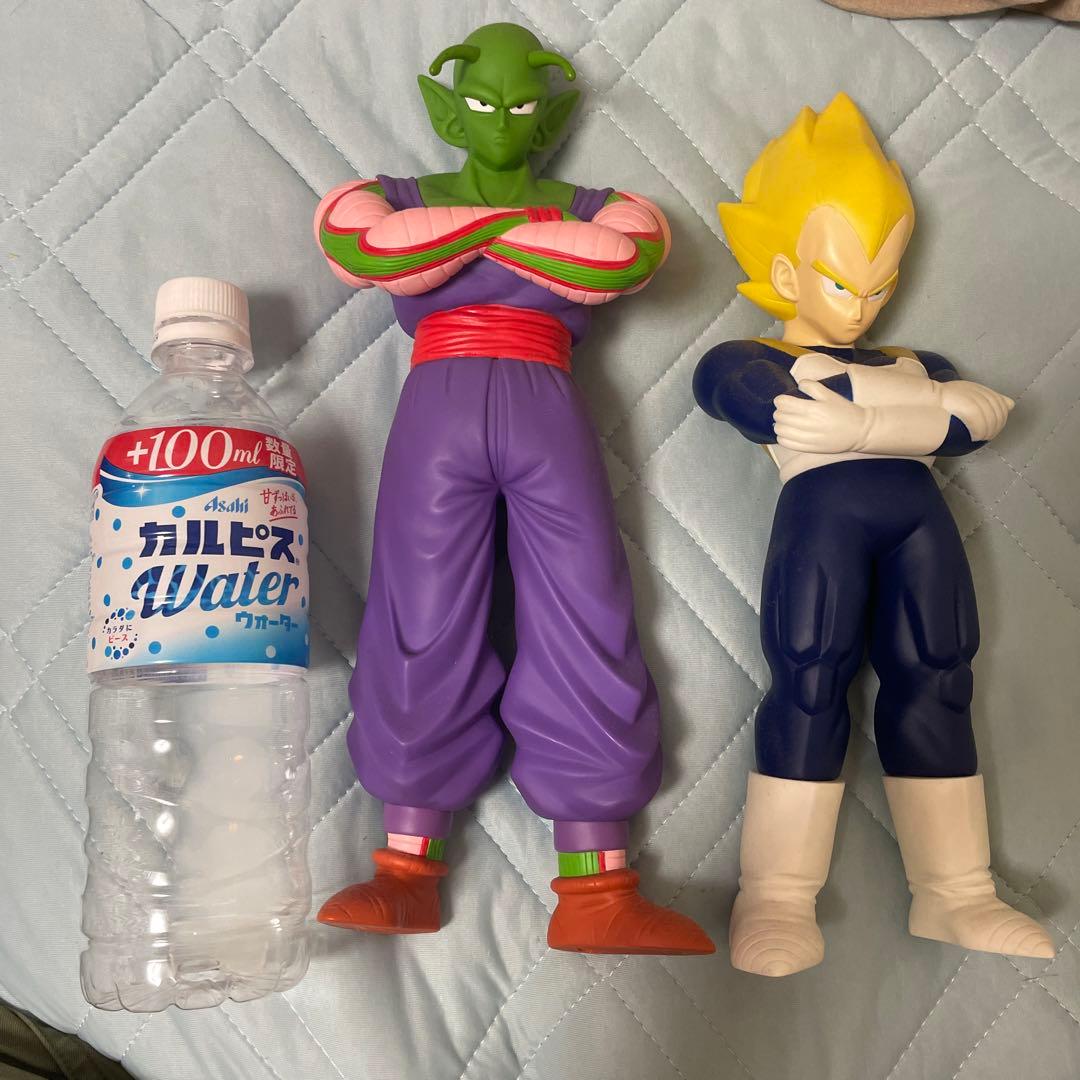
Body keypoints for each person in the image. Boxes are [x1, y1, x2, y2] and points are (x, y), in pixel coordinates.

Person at [313, 22, 713, 956]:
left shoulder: (602, 205)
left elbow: (629, 255)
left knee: (586, 610)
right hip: (441, 404)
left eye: (523, 105)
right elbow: (360, 245)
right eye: (481, 103)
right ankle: (406, 870)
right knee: (420, 615)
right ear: (448, 110)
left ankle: (598, 888)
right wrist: (520, 236)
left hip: (546, 399)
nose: (501, 121)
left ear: (552, 118)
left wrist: (461, 245)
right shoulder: (398, 196)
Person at [694, 92, 1053, 976]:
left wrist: (859, 422)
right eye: (842, 282)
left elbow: (980, 419)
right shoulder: (750, 358)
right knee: (810, 677)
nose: (863, 306)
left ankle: (957, 891)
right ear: (786, 274)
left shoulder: (918, 361)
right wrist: (919, 417)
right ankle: (776, 895)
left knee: (939, 675)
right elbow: (775, 411)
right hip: (824, 523)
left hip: (917, 528)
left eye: (882, 284)